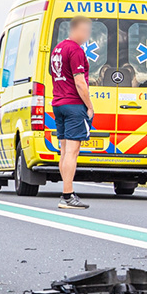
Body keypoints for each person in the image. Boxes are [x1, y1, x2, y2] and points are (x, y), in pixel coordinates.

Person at [50, 17, 96, 210]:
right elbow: (79, 82)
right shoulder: (75, 50)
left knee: (64, 150)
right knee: (72, 151)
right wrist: (89, 106)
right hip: (74, 104)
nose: (87, 35)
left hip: (59, 103)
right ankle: (67, 195)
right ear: (75, 29)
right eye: (85, 30)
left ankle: (66, 191)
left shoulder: (57, 49)